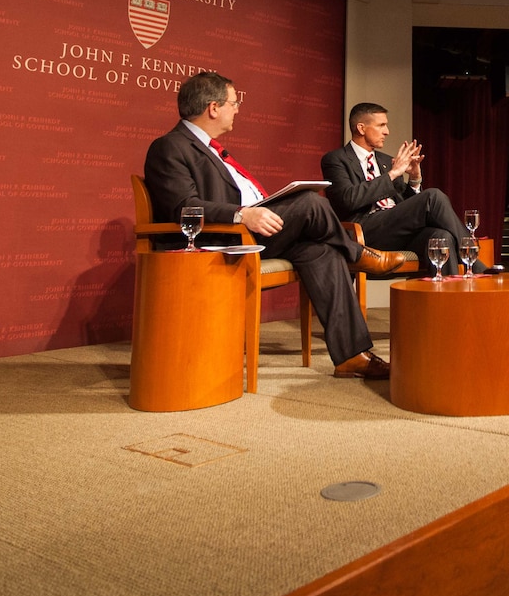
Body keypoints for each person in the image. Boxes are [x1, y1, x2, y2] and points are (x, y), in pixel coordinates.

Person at [144, 72, 403, 379]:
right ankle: (358, 255)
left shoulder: (213, 149)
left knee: (319, 249)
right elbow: (183, 206)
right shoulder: (171, 147)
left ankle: (351, 355)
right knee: (311, 202)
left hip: (255, 230)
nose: (237, 109)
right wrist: (242, 214)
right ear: (213, 108)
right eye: (233, 102)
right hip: (224, 237)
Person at [321, 101, 485, 276]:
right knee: (433, 196)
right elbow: (348, 199)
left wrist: (414, 180)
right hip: (365, 231)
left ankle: (446, 301)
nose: (387, 132)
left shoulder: (385, 161)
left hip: (396, 230)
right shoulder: (336, 160)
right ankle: (474, 263)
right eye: (381, 125)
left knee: (440, 237)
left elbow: (409, 207)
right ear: (361, 128)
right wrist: (392, 175)